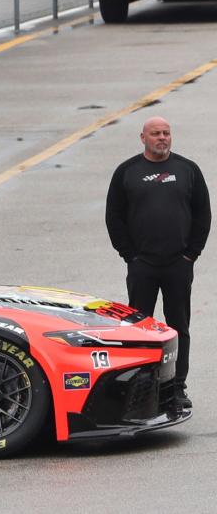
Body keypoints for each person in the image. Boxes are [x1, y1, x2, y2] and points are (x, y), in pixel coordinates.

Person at [106, 116, 210, 411]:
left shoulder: (187, 169)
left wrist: (192, 254)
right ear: (143, 138)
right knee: (138, 329)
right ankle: (141, 388)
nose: (162, 138)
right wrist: (130, 256)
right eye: (156, 134)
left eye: (166, 133)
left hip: (179, 264)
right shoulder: (127, 172)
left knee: (179, 327)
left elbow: (203, 214)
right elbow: (114, 217)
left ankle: (177, 387)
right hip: (143, 266)